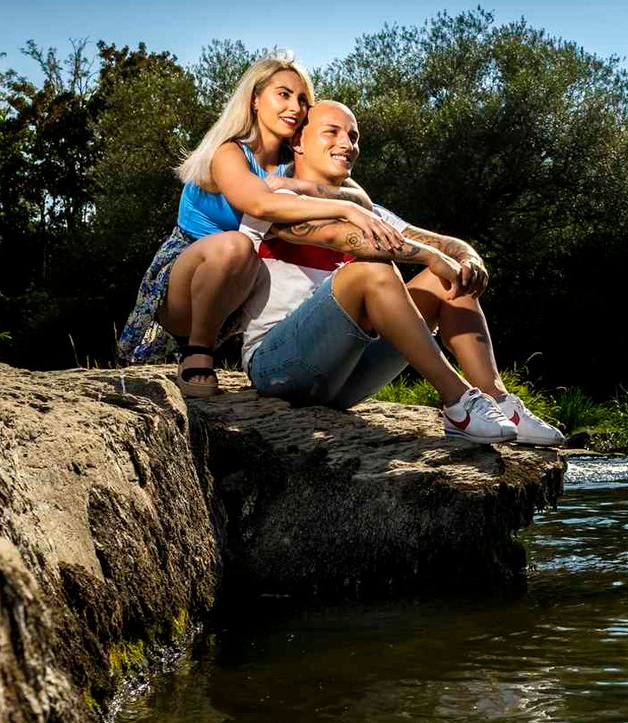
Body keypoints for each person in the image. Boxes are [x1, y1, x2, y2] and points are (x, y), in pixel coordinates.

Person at [237, 100, 565, 446]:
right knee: (371, 270)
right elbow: (348, 238)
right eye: (331, 132)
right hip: (278, 368)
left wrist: (468, 258)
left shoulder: (364, 208)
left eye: (353, 136)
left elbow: (443, 243)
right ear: (298, 143)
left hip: (343, 379)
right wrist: (430, 256)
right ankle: (458, 401)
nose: (347, 144)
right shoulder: (275, 196)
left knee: (447, 279)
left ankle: (498, 399)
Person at [115, 52, 403, 396]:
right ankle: (199, 353)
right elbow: (259, 203)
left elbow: (362, 199)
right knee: (235, 246)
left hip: (241, 286)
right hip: (190, 276)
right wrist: (340, 209)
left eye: (302, 100)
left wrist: (313, 190)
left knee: (253, 258)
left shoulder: (292, 164)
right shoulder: (230, 152)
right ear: (254, 100)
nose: (294, 107)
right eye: (283, 94)